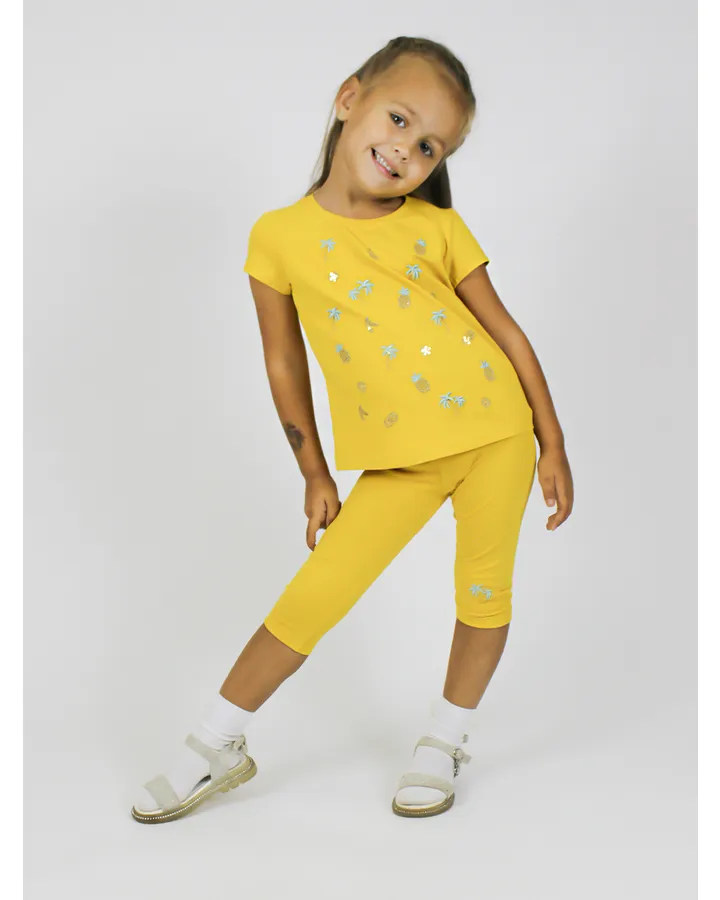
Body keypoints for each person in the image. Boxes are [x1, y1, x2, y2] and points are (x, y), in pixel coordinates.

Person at [131, 35, 574, 824]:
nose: (407, 149)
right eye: (399, 120)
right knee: (314, 597)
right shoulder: (278, 236)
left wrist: (553, 439)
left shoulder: (437, 228)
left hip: (497, 434)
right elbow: (283, 363)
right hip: (401, 463)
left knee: (483, 594)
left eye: (430, 146)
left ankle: (443, 742)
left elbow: (505, 331)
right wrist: (313, 473)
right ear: (349, 99)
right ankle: (213, 744)